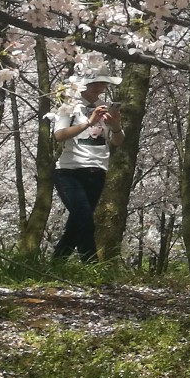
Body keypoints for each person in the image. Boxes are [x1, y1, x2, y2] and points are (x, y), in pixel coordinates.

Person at [47, 57, 123, 261]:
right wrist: (89, 123)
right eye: (95, 83)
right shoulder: (69, 105)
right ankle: (91, 266)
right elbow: (59, 135)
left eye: (103, 83)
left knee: (76, 224)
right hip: (69, 171)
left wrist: (115, 125)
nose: (99, 88)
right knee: (85, 220)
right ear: (85, 83)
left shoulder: (105, 109)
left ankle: (56, 264)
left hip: (97, 170)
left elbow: (117, 142)